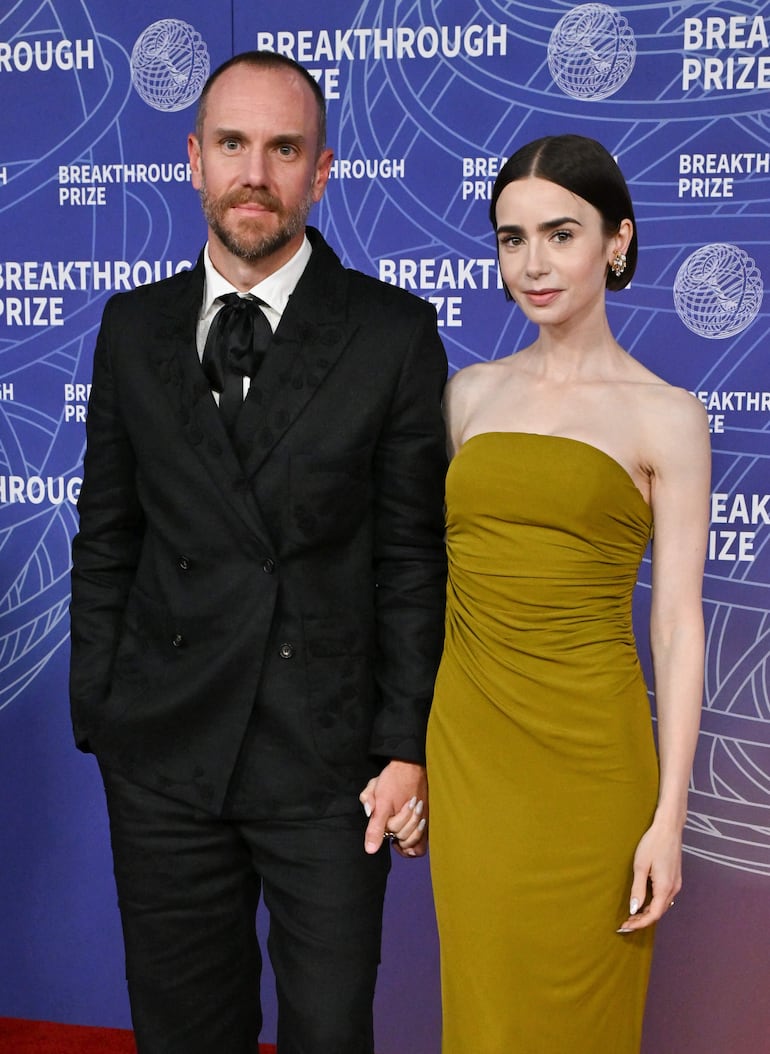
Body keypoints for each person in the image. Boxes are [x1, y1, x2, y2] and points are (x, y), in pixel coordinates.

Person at [68, 50, 447, 1054]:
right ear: (193, 159)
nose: (255, 173)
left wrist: (403, 741)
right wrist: (101, 709)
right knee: (184, 1032)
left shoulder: (392, 333)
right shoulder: (131, 326)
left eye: (284, 149)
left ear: (320, 172)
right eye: (232, 144)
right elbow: (107, 535)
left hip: (327, 763)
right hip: (162, 753)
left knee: (328, 1032)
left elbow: (410, 557)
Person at [426, 134, 710, 1053]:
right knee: (485, 1021)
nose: (533, 263)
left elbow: (675, 626)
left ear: (616, 242)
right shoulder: (467, 395)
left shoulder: (667, 413)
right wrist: (413, 753)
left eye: (560, 234)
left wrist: (669, 818)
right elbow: (438, 587)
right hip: (472, 758)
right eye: (512, 239)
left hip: (594, 772)